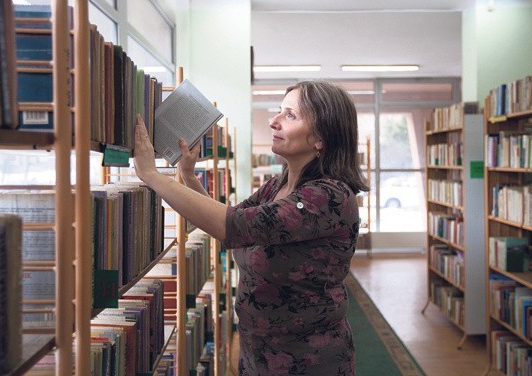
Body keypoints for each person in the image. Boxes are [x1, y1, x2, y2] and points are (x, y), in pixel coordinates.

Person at [133, 80, 369, 375]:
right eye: (279, 111)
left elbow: (234, 226)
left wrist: (152, 176)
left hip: (307, 360)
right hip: (258, 353)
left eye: (290, 115)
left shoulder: (328, 197)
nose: (274, 121)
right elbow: (235, 225)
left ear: (320, 138)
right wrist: (188, 175)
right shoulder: (277, 186)